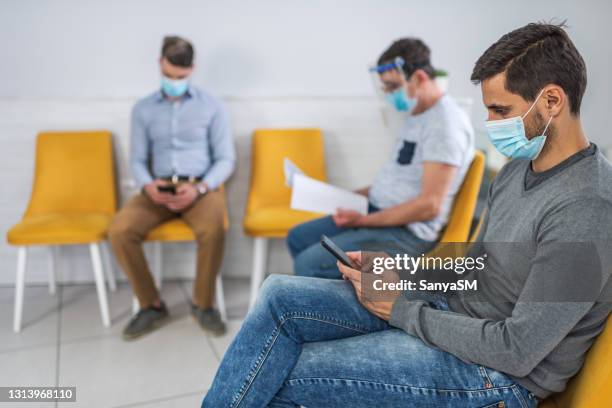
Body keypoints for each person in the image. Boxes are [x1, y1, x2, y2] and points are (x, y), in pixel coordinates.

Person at [202, 23, 612, 407]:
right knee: (278, 295)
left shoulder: (586, 206)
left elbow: (518, 350)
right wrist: (399, 271)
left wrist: (401, 308)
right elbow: (475, 266)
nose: (489, 124)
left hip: (498, 377)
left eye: (500, 110)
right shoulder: (518, 168)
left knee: (283, 371)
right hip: (458, 314)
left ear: (552, 101)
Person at [286, 38, 475, 279]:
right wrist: (343, 197)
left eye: (392, 86)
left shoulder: (445, 126)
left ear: (418, 78)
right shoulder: (416, 115)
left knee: (309, 264)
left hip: (406, 234)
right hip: (380, 213)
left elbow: (429, 206)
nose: (388, 94)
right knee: (298, 237)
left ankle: (341, 312)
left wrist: (365, 219)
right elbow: (396, 182)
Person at [108, 36, 236, 340]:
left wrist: (202, 188)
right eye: (168, 75)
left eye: (181, 77)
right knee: (120, 230)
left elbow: (226, 159)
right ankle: (151, 305)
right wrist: (148, 185)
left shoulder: (212, 107)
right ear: (159, 64)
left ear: (192, 69)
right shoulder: (142, 110)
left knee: (214, 228)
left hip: (200, 188)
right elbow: (137, 159)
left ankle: (203, 305)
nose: (174, 82)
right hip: (158, 188)